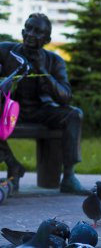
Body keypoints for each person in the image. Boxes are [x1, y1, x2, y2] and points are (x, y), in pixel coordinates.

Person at [0, 13, 89, 194]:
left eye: (38, 31)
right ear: (22, 30)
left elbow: (65, 97)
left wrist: (42, 70)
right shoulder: (5, 51)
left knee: (74, 114)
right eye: (28, 28)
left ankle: (69, 177)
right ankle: (12, 164)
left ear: (47, 39)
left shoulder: (54, 61)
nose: (31, 34)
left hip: (41, 111)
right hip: (9, 111)